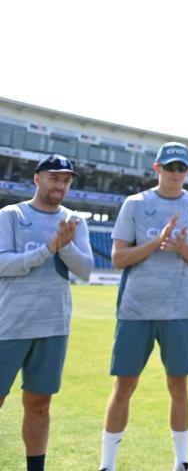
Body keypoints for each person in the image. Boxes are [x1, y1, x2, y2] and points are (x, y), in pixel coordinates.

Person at [99, 142, 188, 471]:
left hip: (180, 310)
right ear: (157, 169)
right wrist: (156, 242)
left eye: (181, 168)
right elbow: (118, 258)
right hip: (136, 309)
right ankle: (107, 464)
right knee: (124, 385)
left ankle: (182, 461)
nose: (175, 173)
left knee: (179, 385)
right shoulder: (135, 204)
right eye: (169, 167)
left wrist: (180, 246)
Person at [0, 154, 93, 471]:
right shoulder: (10, 215)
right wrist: (48, 249)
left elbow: (86, 270)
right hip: (9, 325)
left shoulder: (74, 221)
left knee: (39, 404)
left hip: (53, 327)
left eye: (66, 180)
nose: (61, 184)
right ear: (37, 178)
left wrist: (65, 246)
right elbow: (2, 264)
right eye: (55, 177)